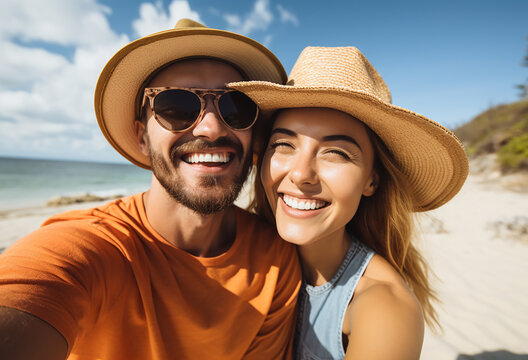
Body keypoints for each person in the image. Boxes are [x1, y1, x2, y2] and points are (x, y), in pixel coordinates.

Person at [0, 19, 301, 360]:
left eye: (236, 107)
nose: (212, 127)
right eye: (177, 107)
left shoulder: (274, 258)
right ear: (142, 137)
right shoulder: (91, 249)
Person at [230, 46, 469, 359]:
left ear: (372, 180)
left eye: (336, 153)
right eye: (284, 145)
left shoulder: (383, 307)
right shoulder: (240, 246)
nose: (301, 174)